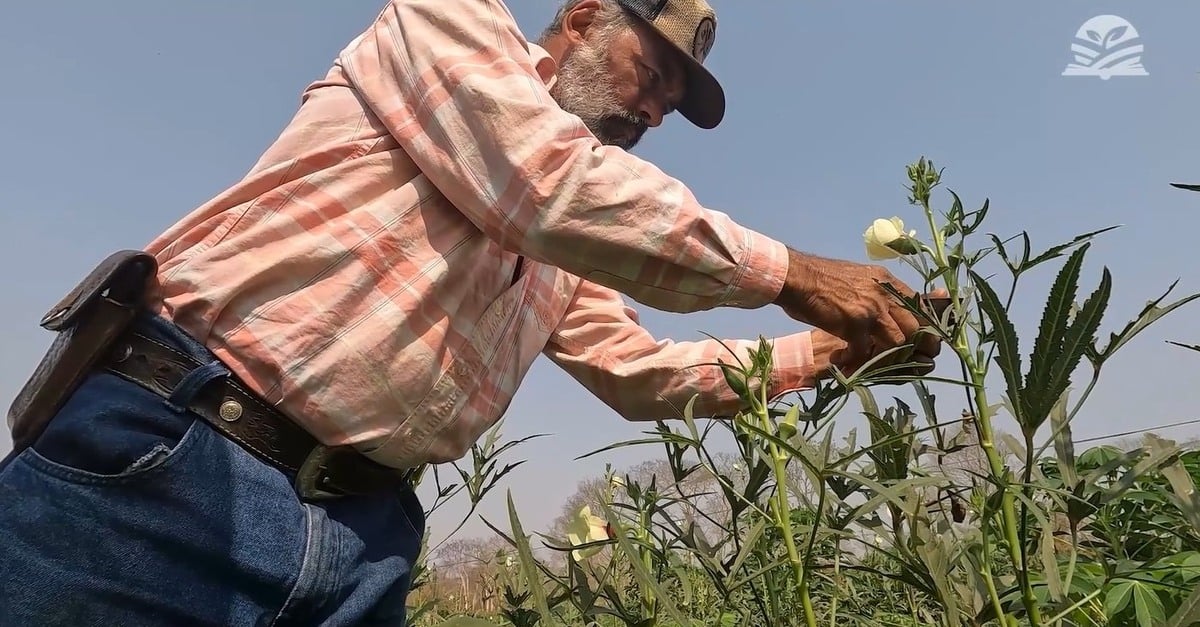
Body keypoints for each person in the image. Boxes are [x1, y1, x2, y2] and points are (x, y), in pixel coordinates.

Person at [0, 0, 942, 624]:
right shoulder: (446, 25)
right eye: (648, 72)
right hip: (173, 464)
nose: (654, 110)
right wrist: (795, 273)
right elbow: (541, 185)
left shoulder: (567, 246)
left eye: (671, 100)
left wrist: (826, 356)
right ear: (580, 16)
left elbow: (637, 372)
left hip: (361, 535)